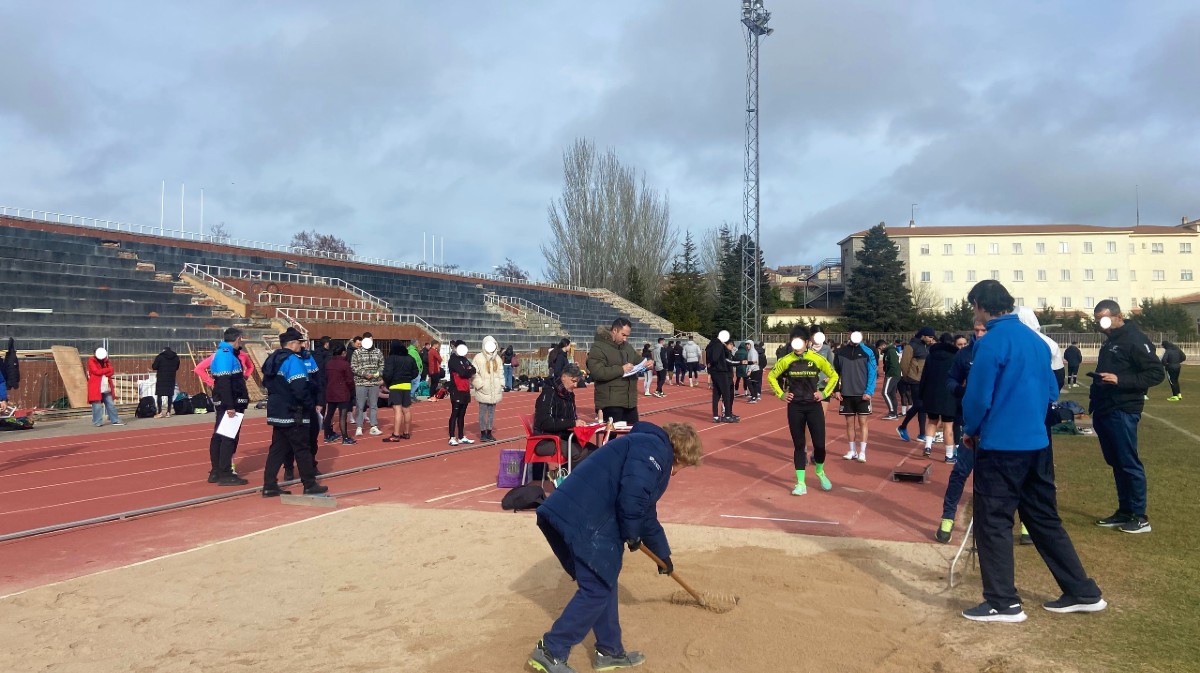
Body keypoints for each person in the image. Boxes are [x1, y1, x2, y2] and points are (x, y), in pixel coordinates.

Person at [961, 279, 1104, 622]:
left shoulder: (992, 343)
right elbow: (1050, 391)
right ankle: (1081, 590)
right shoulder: (1038, 342)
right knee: (1042, 517)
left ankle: (1002, 601)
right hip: (1037, 443)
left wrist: (971, 429)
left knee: (993, 520)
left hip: (1002, 445)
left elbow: (979, 396)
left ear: (980, 305)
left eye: (974, 307)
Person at [526, 421, 704, 673]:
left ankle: (609, 651)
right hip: (584, 520)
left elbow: (647, 512)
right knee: (597, 588)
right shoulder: (654, 450)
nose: (677, 473)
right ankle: (551, 651)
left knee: (604, 579)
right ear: (681, 453)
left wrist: (662, 555)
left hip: (582, 515)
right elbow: (633, 496)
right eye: (683, 467)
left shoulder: (646, 447)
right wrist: (632, 534)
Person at [1090, 300, 1165, 534]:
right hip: (1105, 407)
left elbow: (1155, 373)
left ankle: (1140, 516)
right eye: (1097, 321)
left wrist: (1121, 381)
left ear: (1117, 315)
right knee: (1116, 462)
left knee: (1128, 462)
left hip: (1123, 408)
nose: (1101, 325)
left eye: (1104, 319)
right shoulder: (1111, 341)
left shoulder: (1134, 339)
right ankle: (1124, 511)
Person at [767, 325, 838, 494]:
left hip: (814, 406)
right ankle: (801, 483)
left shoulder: (817, 358)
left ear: (807, 342)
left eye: (800, 342)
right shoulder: (786, 360)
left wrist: (824, 393)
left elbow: (834, 375)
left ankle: (820, 471)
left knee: (820, 445)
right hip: (795, 407)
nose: (797, 345)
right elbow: (771, 376)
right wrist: (781, 395)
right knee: (799, 446)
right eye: (794, 342)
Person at [261, 328, 327, 497]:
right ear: (291, 344)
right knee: (302, 448)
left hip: (277, 410)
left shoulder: (272, 359)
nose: (302, 345)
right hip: (293, 411)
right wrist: (308, 405)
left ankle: (269, 485)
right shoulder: (293, 360)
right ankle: (309, 484)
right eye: (299, 342)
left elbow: (266, 383)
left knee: (277, 449)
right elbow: (299, 388)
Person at [531, 363, 595, 480]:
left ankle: (571, 479)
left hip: (563, 436)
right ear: (564, 377)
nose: (575, 385)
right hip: (545, 440)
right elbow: (545, 422)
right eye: (573, 381)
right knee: (579, 453)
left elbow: (571, 418)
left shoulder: (569, 395)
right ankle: (558, 477)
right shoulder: (549, 394)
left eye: (577, 382)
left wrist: (578, 423)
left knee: (595, 451)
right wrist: (572, 423)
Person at [206, 328, 250, 485]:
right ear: (237, 339)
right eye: (241, 339)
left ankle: (217, 471)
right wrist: (230, 405)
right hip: (230, 403)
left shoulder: (226, 353)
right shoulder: (225, 354)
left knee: (220, 436)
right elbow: (224, 382)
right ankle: (224, 472)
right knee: (227, 437)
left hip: (228, 401)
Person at [588, 319, 648, 424]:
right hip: (610, 401)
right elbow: (597, 372)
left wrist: (647, 363)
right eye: (623, 335)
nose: (625, 339)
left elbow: (637, 359)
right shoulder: (598, 347)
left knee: (634, 433)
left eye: (627, 336)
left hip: (629, 401)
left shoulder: (627, 347)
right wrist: (621, 369)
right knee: (610, 436)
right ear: (615, 330)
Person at [917, 333, 960, 462]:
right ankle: (948, 455)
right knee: (948, 426)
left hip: (932, 393)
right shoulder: (955, 357)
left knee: (932, 421)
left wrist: (921, 394)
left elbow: (924, 376)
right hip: (949, 395)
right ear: (952, 343)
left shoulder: (931, 356)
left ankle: (928, 447)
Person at [835, 331, 877, 463]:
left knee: (863, 423)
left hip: (862, 394)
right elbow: (835, 372)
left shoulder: (868, 352)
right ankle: (852, 450)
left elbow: (873, 373)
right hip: (846, 393)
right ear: (848, 335)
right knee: (849, 424)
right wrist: (836, 390)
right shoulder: (840, 352)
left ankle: (862, 452)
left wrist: (869, 391)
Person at [897, 327, 935, 442]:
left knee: (922, 407)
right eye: (930, 337)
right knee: (918, 405)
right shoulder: (911, 346)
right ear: (923, 335)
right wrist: (907, 377)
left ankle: (922, 434)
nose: (931, 340)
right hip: (914, 380)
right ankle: (902, 427)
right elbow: (904, 363)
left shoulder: (928, 347)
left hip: (925, 380)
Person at [382, 339, 420, 441]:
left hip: (395, 386)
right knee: (406, 410)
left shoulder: (391, 358)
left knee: (397, 410)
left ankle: (396, 435)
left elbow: (387, 373)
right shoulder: (410, 358)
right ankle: (407, 432)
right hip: (406, 385)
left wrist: (388, 382)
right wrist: (408, 378)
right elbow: (416, 372)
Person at [472, 335, 505, 442]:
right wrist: (480, 384)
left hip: (495, 390)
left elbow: (501, 373)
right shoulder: (478, 358)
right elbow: (474, 373)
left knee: (491, 413)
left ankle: (489, 432)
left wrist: (501, 384)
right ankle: (482, 433)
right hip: (483, 390)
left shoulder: (498, 359)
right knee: (482, 413)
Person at [350, 335, 384, 437]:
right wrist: (364, 374)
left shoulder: (378, 352)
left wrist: (375, 374)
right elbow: (353, 367)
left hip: (374, 383)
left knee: (373, 405)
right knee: (360, 405)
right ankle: (359, 426)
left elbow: (381, 366)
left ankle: (373, 426)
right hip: (361, 383)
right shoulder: (356, 353)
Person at [705, 331, 740, 423]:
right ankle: (727, 415)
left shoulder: (711, 345)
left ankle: (716, 416)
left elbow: (710, 358)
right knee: (726, 394)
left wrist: (710, 367)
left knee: (716, 395)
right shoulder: (719, 346)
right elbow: (716, 358)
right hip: (721, 372)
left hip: (715, 372)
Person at [324, 345, 355, 444]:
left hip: (331, 391)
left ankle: (327, 435)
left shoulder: (329, 364)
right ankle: (345, 438)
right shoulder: (345, 364)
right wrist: (350, 388)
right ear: (343, 353)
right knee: (343, 415)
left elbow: (325, 378)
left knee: (329, 414)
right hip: (342, 392)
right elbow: (350, 380)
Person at [447, 341, 477, 445]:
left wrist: (468, 371)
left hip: (465, 390)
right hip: (456, 389)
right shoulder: (453, 360)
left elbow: (474, 369)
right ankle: (452, 437)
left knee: (462, 414)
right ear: (455, 348)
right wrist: (468, 371)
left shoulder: (464, 359)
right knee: (455, 413)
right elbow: (463, 372)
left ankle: (460, 436)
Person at [87, 347, 122, 427]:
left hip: (106, 385)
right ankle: (97, 421)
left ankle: (115, 419)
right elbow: (96, 371)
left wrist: (106, 372)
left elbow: (111, 371)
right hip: (95, 385)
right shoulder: (91, 360)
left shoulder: (106, 360)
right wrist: (107, 370)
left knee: (110, 403)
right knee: (97, 405)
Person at [312, 336, 337, 441]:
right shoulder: (327, 355)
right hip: (324, 381)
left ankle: (320, 422)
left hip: (315, 380)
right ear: (326, 344)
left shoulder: (314, 354)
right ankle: (324, 426)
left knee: (320, 403)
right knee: (325, 404)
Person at [150, 346, 180, 418]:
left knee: (159, 395)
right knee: (170, 395)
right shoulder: (176, 357)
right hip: (171, 377)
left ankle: (160, 412)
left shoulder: (160, 357)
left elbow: (154, 366)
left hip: (161, 378)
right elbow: (177, 367)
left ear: (164, 350)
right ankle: (168, 412)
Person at [876, 338, 901, 420]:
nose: (880, 350)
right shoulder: (888, 352)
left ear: (883, 345)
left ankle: (892, 412)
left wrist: (889, 374)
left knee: (885, 392)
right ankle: (894, 413)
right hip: (893, 374)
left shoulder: (890, 351)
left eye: (880, 348)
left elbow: (894, 364)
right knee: (892, 394)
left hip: (892, 375)